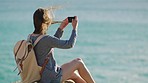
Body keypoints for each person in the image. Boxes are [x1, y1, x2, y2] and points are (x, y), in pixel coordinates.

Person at [30, 8, 95, 83]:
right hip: (51, 77)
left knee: (74, 74)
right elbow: (69, 44)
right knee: (79, 62)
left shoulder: (31, 37)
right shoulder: (46, 39)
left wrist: (61, 28)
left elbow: (51, 43)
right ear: (46, 22)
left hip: (42, 75)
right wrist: (74, 28)